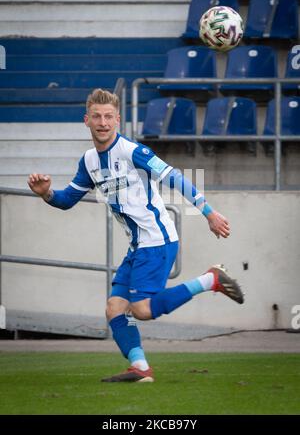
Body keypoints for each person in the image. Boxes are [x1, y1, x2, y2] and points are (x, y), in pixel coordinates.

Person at [27, 88, 244, 383]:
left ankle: (211, 279)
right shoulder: (89, 161)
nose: (103, 122)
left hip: (157, 240)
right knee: (114, 308)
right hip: (138, 246)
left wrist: (209, 213)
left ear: (117, 119)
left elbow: (176, 177)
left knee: (141, 310)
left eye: (108, 117)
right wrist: (46, 194)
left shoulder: (133, 151)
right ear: (86, 120)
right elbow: (66, 200)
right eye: (96, 117)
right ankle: (140, 368)